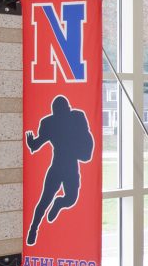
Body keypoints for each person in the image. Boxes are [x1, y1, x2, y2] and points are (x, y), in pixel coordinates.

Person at [24, 95, 97, 247]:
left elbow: (86, 136)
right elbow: (38, 144)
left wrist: (33, 143)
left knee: (70, 198)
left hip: (70, 165)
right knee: (44, 201)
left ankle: (58, 203)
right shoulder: (49, 122)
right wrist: (31, 143)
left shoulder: (76, 117)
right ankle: (33, 229)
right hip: (58, 166)